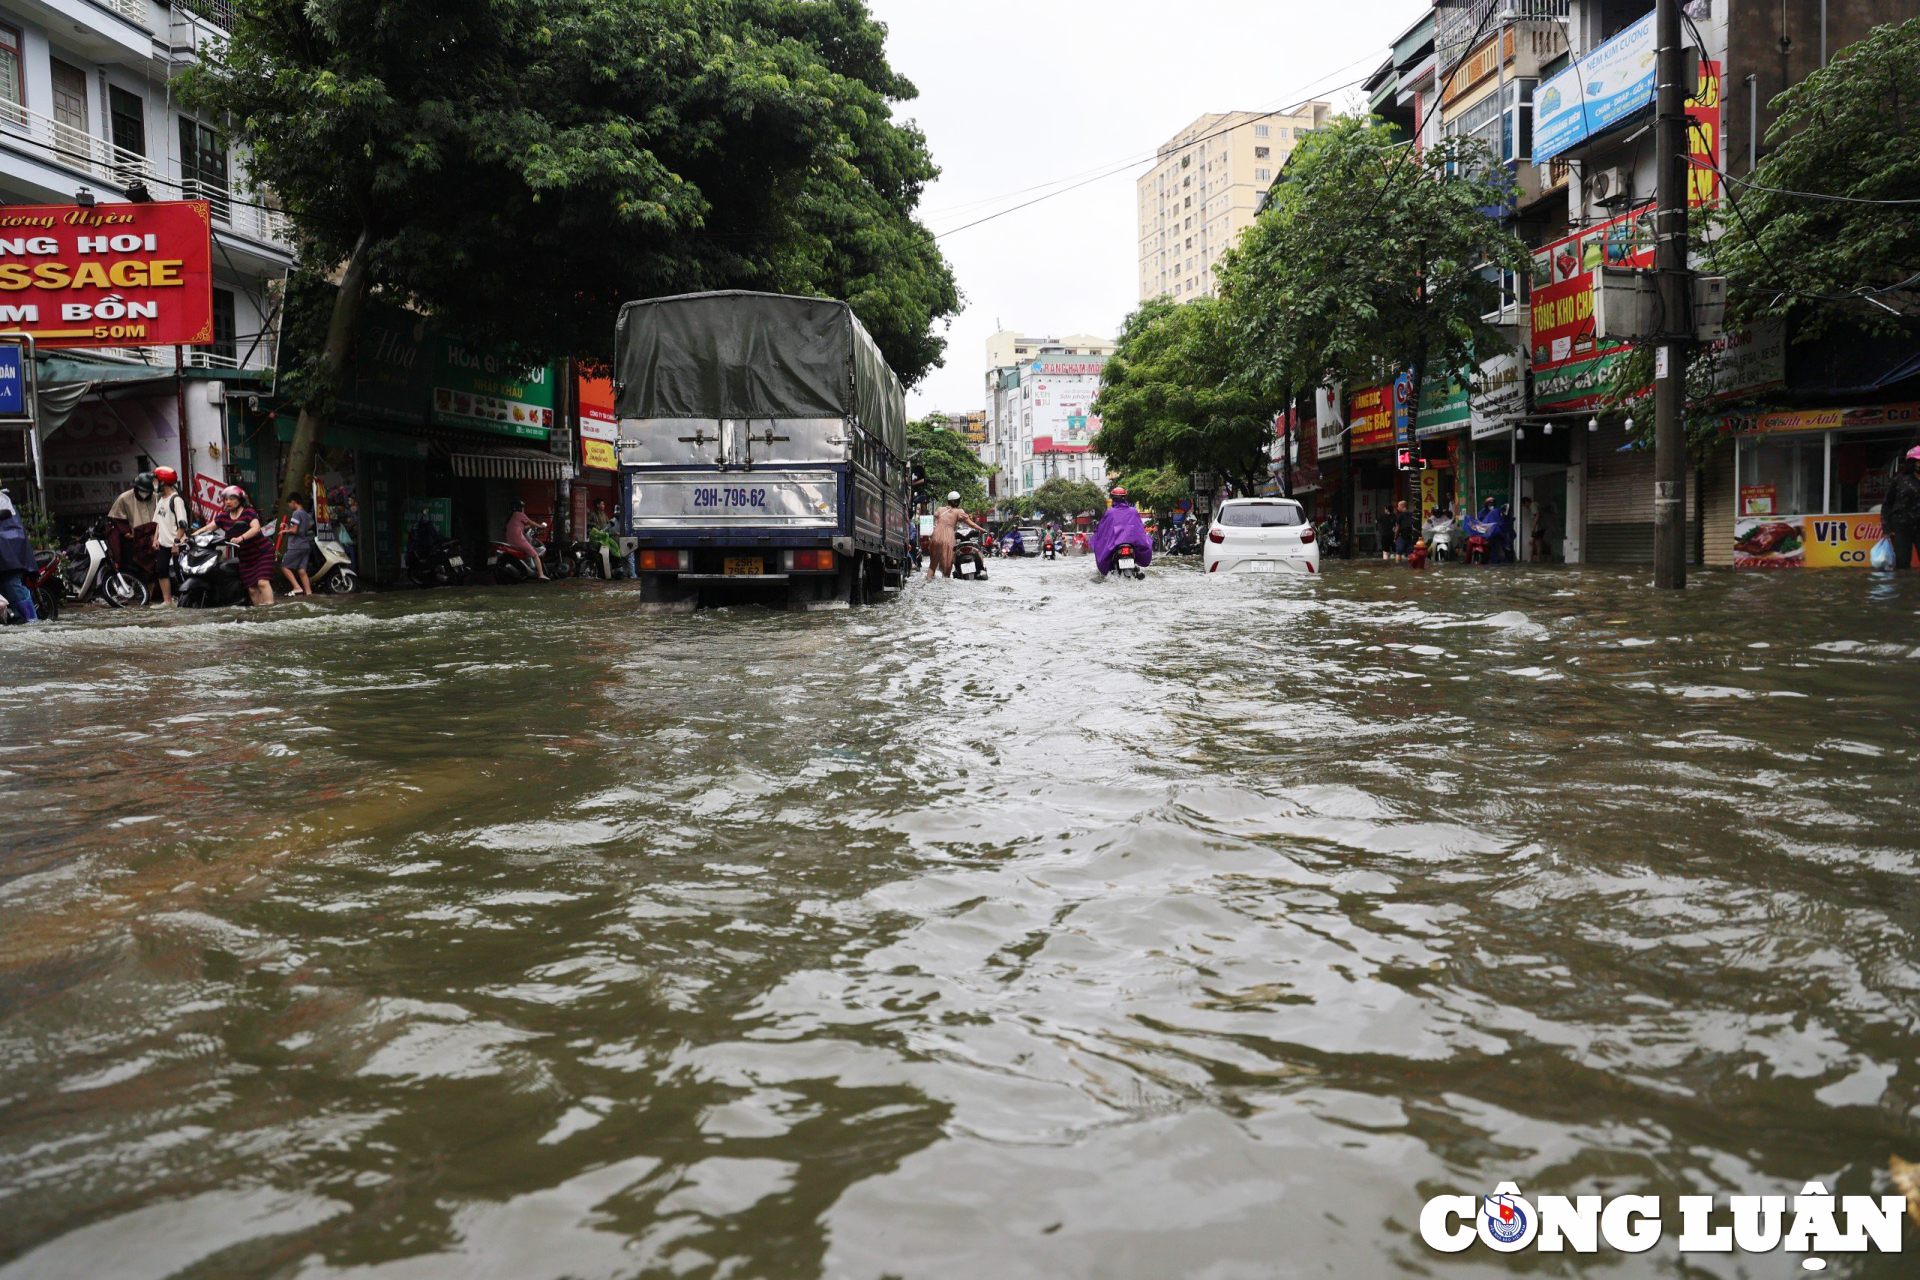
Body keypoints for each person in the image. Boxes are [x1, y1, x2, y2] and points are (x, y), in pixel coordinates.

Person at [196, 485, 274, 605]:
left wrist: (240, 538)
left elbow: (256, 528)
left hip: (262, 552)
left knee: (262, 582)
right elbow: (208, 528)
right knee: (252, 589)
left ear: (240, 500)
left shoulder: (248, 512)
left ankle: (270, 609)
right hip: (245, 556)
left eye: (232, 499)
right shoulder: (223, 516)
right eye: (226, 499)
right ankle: (261, 615)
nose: (228, 502)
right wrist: (190, 537)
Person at [106, 470, 159, 591]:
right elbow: (116, 518)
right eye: (143, 491)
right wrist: (126, 532)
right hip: (133, 539)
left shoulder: (156, 498)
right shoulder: (124, 498)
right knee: (133, 565)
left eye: (147, 491)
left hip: (153, 538)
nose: (145, 494)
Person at [1090, 486, 1153, 577]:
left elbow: (1102, 530)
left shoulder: (1109, 512)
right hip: (1131, 545)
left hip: (1115, 546)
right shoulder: (1133, 511)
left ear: (1112, 498)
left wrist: (1097, 533)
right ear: (1125, 497)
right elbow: (1140, 530)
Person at [150, 467, 191, 605]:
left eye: (156, 480)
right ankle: (167, 601)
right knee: (161, 571)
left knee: (180, 574)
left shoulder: (176, 500)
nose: (154, 483)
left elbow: (183, 524)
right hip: (163, 543)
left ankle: (184, 600)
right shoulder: (160, 499)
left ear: (163, 482)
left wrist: (176, 543)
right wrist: (156, 538)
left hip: (177, 543)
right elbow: (158, 522)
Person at [926, 491, 987, 581]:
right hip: (948, 536)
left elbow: (936, 523)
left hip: (936, 535)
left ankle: (928, 580)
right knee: (947, 567)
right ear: (957, 502)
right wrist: (982, 530)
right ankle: (945, 585)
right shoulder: (959, 511)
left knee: (932, 565)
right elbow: (971, 524)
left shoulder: (939, 509)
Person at [0, 489, 38, 622]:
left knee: (12, 583)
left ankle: (32, 619)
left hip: (10, 546)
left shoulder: (2, 499)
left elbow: (5, 515)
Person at [1884, 447, 1920, 571]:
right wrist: (1886, 527)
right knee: (1902, 564)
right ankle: (1904, 589)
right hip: (1901, 528)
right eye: (1918, 462)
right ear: (1912, 463)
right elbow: (1887, 504)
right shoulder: (1899, 480)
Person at [278, 493, 316, 597]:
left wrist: (284, 532)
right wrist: (287, 528)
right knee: (301, 570)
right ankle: (309, 593)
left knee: (284, 566)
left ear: (293, 502)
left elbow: (294, 530)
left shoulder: (296, 513)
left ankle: (297, 587)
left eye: (289, 504)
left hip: (296, 545)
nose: (289, 506)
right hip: (305, 545)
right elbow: (300, 529)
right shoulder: (305, 514)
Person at [504, 498, 547, 580]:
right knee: (535, 555)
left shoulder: (510, 517)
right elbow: (531, 522)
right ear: (519, 507)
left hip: (510, 542)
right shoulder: (519, 514)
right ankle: (541, 574)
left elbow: (523, 528)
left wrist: (531, 526)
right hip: (519, 540)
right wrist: (541, 526)